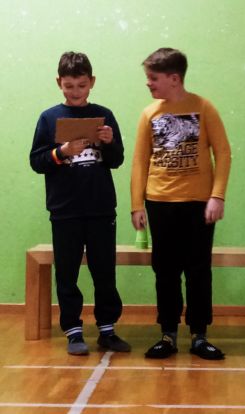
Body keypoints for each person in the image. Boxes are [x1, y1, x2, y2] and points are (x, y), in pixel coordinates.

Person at [131, 48, 231, 360]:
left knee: (198, 269)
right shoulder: (149, 114)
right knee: (165, 270)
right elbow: (140, 161)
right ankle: (168, 334)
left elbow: (223, 153)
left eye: (153, 78)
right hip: (160, 203)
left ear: (174, 79)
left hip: (198, 204)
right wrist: (137, 205)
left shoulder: (204, 107)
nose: (148, 83)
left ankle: (199, 335)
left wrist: (217, 195)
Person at [29, 52, 130, 355]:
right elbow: (36, 161)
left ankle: (107, 329)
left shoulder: (104, 115)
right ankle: (73, 331)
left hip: (101, 208)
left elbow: (117, 160)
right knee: (67, 273)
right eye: (69, 86)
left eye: (82, 85)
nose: (75, 92)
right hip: (65, 210)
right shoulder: (48, 118)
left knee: (104, 271)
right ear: (59, 83)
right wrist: (61, 152)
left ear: (92, 82)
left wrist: (109, 142)